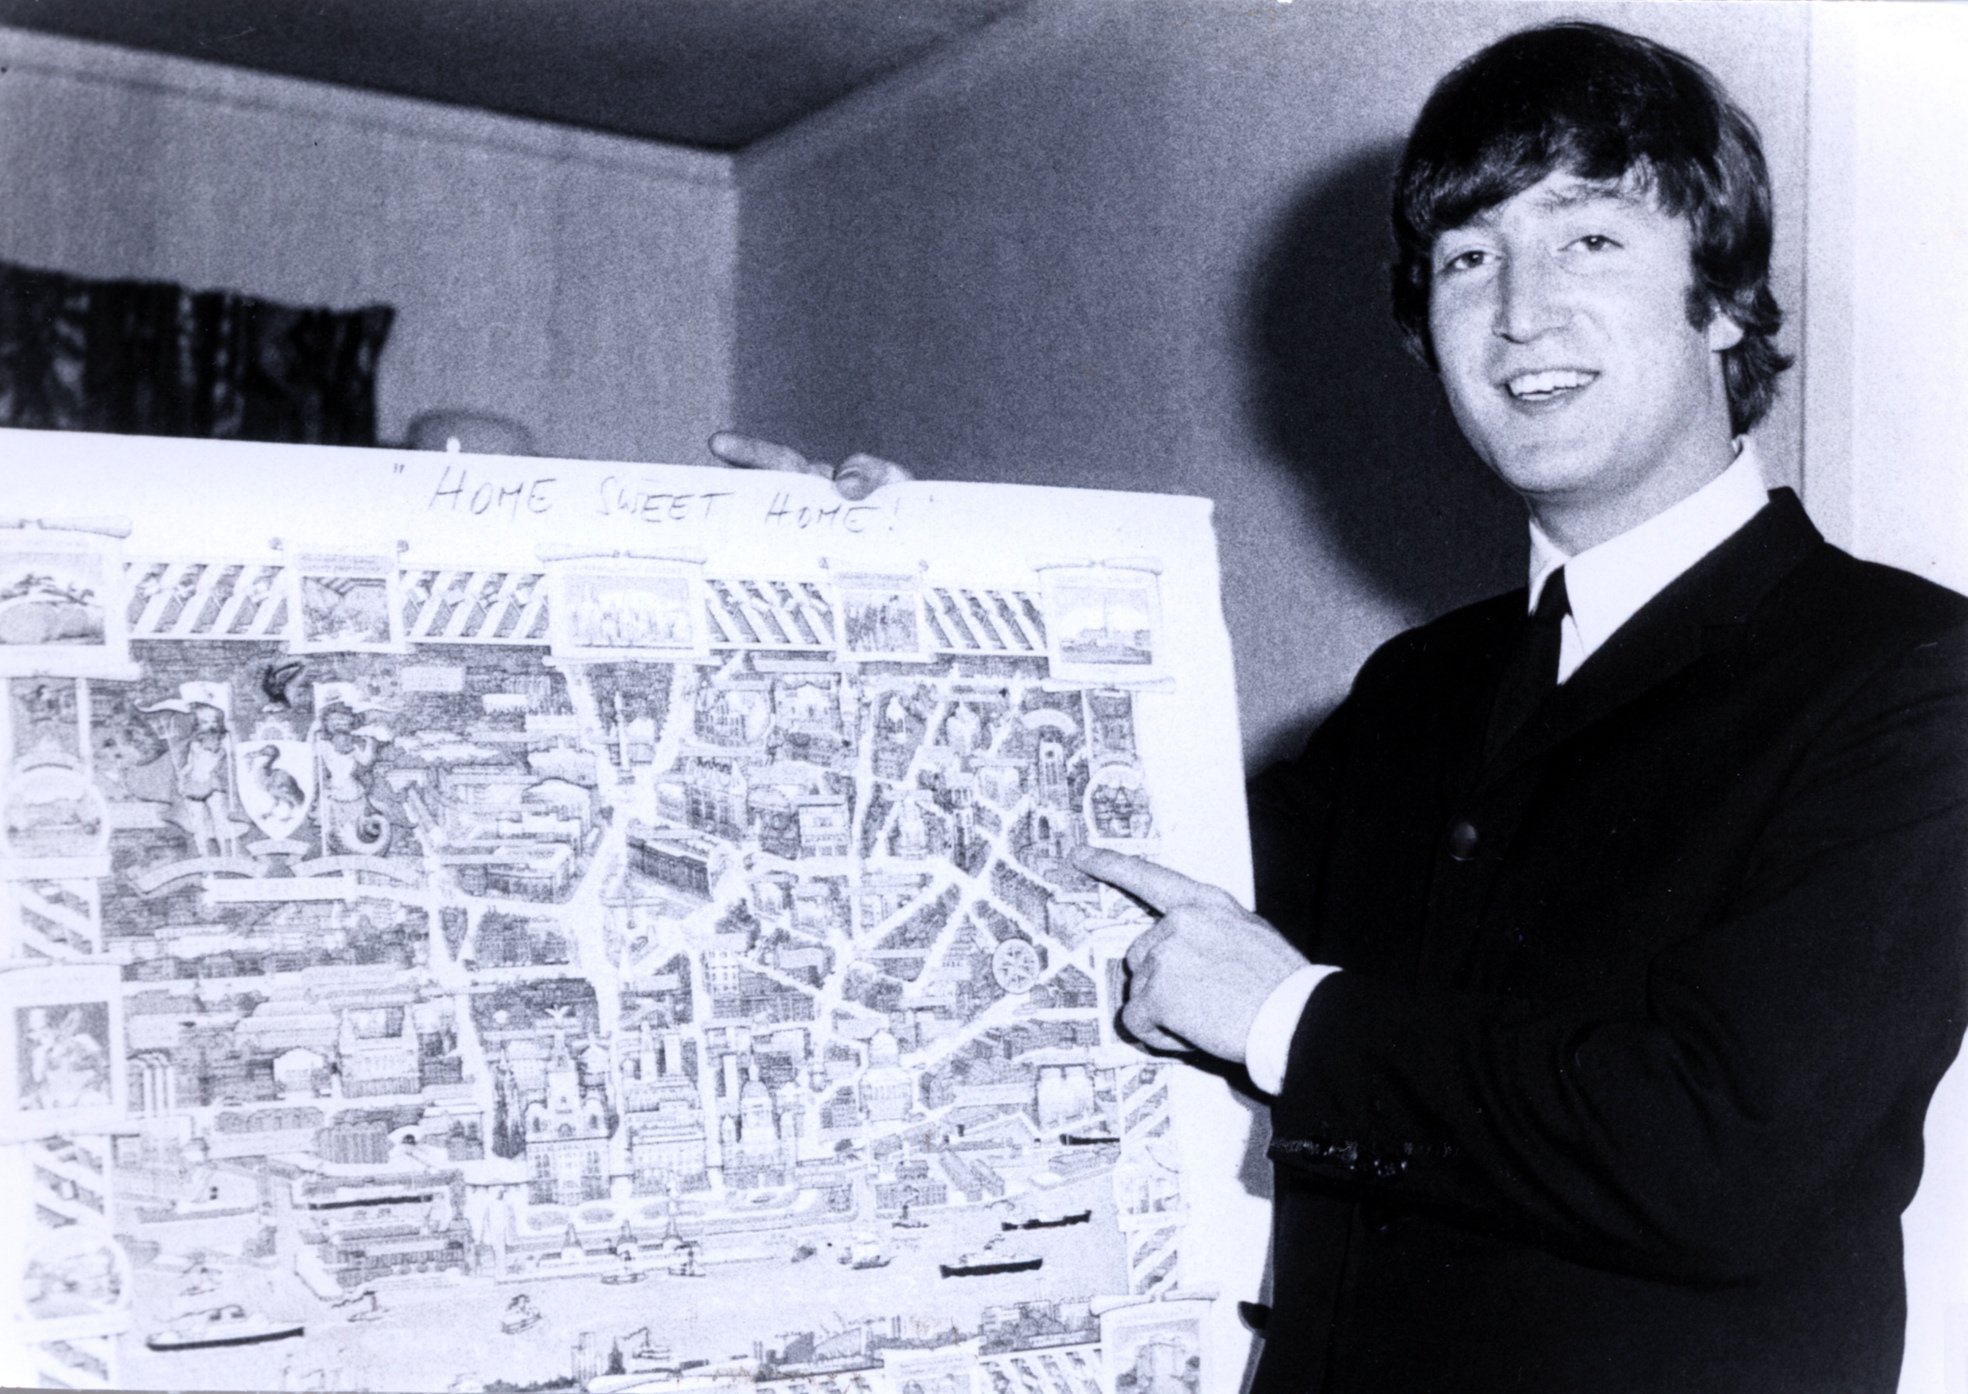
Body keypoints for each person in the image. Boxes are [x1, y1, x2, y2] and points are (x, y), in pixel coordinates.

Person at [713, 23, 1968, 1391]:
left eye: (1589, 240)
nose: (1521, 310)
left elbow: (1731, 1154)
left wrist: (1292, 1021)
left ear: (1723, 297)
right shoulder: (1417, 689)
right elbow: (1106, 898)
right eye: (1467, 256)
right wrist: (880, 618)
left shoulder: (1905, 669)